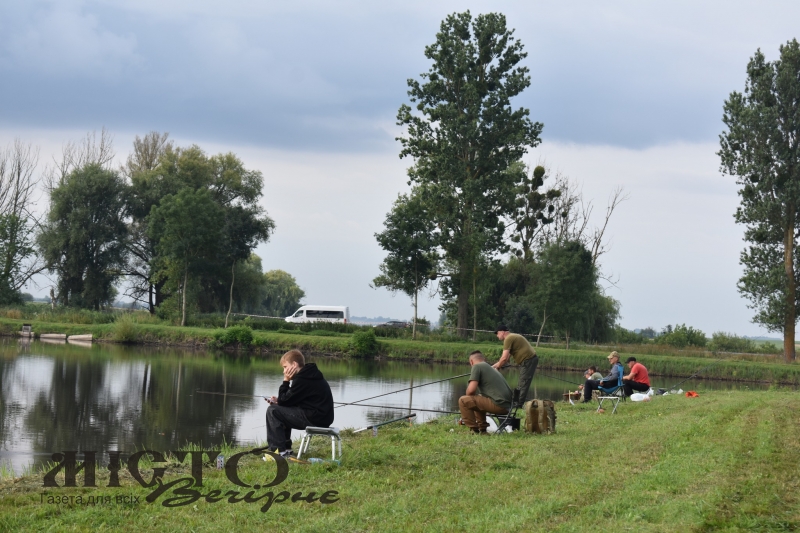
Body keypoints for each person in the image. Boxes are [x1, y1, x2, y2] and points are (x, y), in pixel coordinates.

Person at [264, 349, 334, 456]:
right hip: (321, 418)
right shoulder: (310, 374)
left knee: (273, 411)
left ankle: (277, 452)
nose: (284, 371)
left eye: (285, 367)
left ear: (294, 364)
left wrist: (286, 381)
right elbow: (288, 401)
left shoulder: (302, 379)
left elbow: (284, 401)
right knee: (281, 410)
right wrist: (279, 401)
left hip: (315, 419)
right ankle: (286, 449)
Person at [459, 351, 513, 434]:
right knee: (477, 398)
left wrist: (469, 384)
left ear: (471, 362)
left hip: (499, 405)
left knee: (463, 400)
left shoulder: (476, 367)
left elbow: (470, 391)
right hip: (507, 406)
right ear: (483, 359)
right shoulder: (490, 368)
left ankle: (475, 430)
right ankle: (483, 430)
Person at [492, 325, 538, 406]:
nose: (497, 335)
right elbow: (506, 359)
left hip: (528, 360)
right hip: (529, 360)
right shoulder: (512, 337)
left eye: (497, 333)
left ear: (503, 332)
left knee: (523, 383)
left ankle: (518, 404)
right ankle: (516, 402)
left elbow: (504, 358)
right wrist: (492, 367)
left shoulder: (508, 338)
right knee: (522, 382)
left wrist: (498, 367)